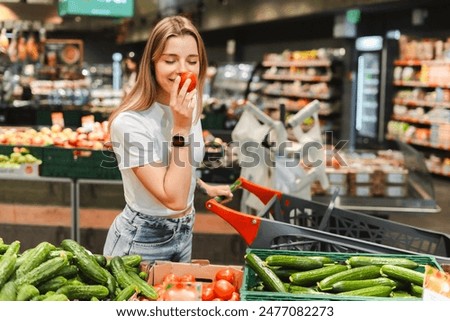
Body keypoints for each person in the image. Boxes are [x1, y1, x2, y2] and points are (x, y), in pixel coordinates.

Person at [103, 16, 233, 264]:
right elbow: (172, 198)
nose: (183, 69)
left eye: (192, 61)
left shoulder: (189, 107)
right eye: (170, 60)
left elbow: (175, 168)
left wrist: (202, 187)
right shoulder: (130, 123)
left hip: (184, 232)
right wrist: (181, 129)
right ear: (152, 64)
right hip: (141, 240)